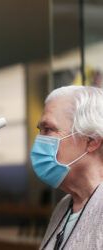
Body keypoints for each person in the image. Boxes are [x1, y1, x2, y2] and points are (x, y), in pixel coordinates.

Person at [30, 85, 103, 249]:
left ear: (91, 141)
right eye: (40, 130)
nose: (38, 141)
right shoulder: (65, 205)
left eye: (48, 129)